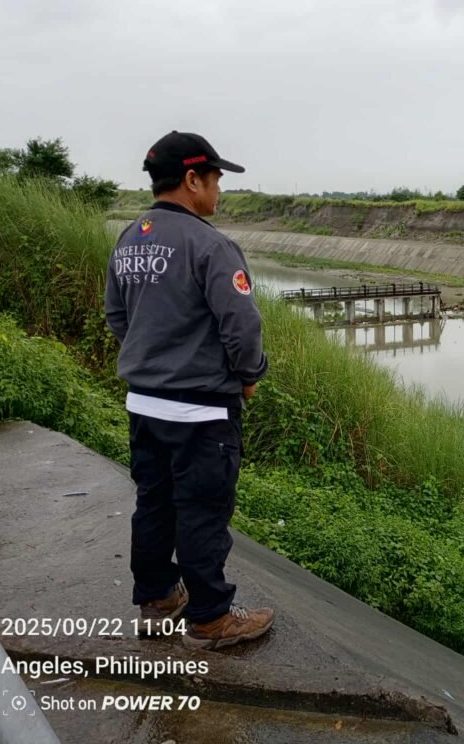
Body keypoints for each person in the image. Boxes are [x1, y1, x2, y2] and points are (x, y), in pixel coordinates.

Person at [104, 131, 274, 650]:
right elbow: (242, 327)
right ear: (192, 179)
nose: (220, 189)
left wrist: (153, 361)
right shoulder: (211, 245)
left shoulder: (129, 239)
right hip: (201, 411)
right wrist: (249, 375)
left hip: (144, 404)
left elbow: (117, 316)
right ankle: (211, 618)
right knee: (202, 510)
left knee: (154, 502)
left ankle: (157, 601)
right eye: (216, 178)